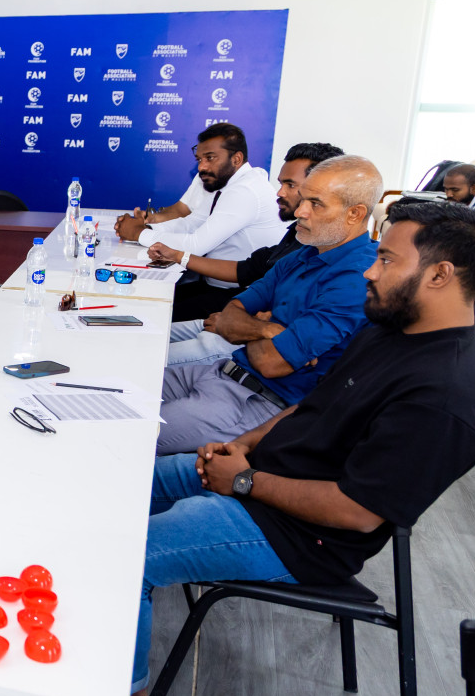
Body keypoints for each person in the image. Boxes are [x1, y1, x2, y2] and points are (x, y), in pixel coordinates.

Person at [131, 199, 475, 696]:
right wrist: (248, 445)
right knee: (122, 485)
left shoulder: (448, 397)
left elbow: (357, 513)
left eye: (387, 260)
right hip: (258, 481)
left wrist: (246, 482)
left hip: (299, 536)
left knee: (132, 554)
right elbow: (311, 404)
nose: (370, 270)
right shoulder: (389, 330)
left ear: (440, 274)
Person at [155, 155, 382, 455]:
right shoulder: (303, 253)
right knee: (122, 388)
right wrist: (271, 330)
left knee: (122, 434)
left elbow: (270, 362)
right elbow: (231, 312)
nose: (300, 211)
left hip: (254, 403)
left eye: (315, 204)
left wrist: (251, 329)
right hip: (221, 372)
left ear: (355, 214)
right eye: (302, 199)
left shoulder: (358, 277)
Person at [157, 142, 344, 366]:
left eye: (290, 185)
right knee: (148, 331)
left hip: (243, 342)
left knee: (143, 357)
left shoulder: (338, 260)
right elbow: (248, 273)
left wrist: (242, 324)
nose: (279, 192)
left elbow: (296, 341)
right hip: (230, 323)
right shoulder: (297, 235)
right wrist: (178, 256)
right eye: (281, 183)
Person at [116, 123, 287, 321]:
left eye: (210, 158)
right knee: (145, 304)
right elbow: (192, 222)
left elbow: (196, 246)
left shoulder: (245, 190)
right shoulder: (230, 183)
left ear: (237, 159)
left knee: (150, 317)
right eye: (199, 159)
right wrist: (146, 227)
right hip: (214, 286)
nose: (201, 167)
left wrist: (138, 234)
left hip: (240, 298)